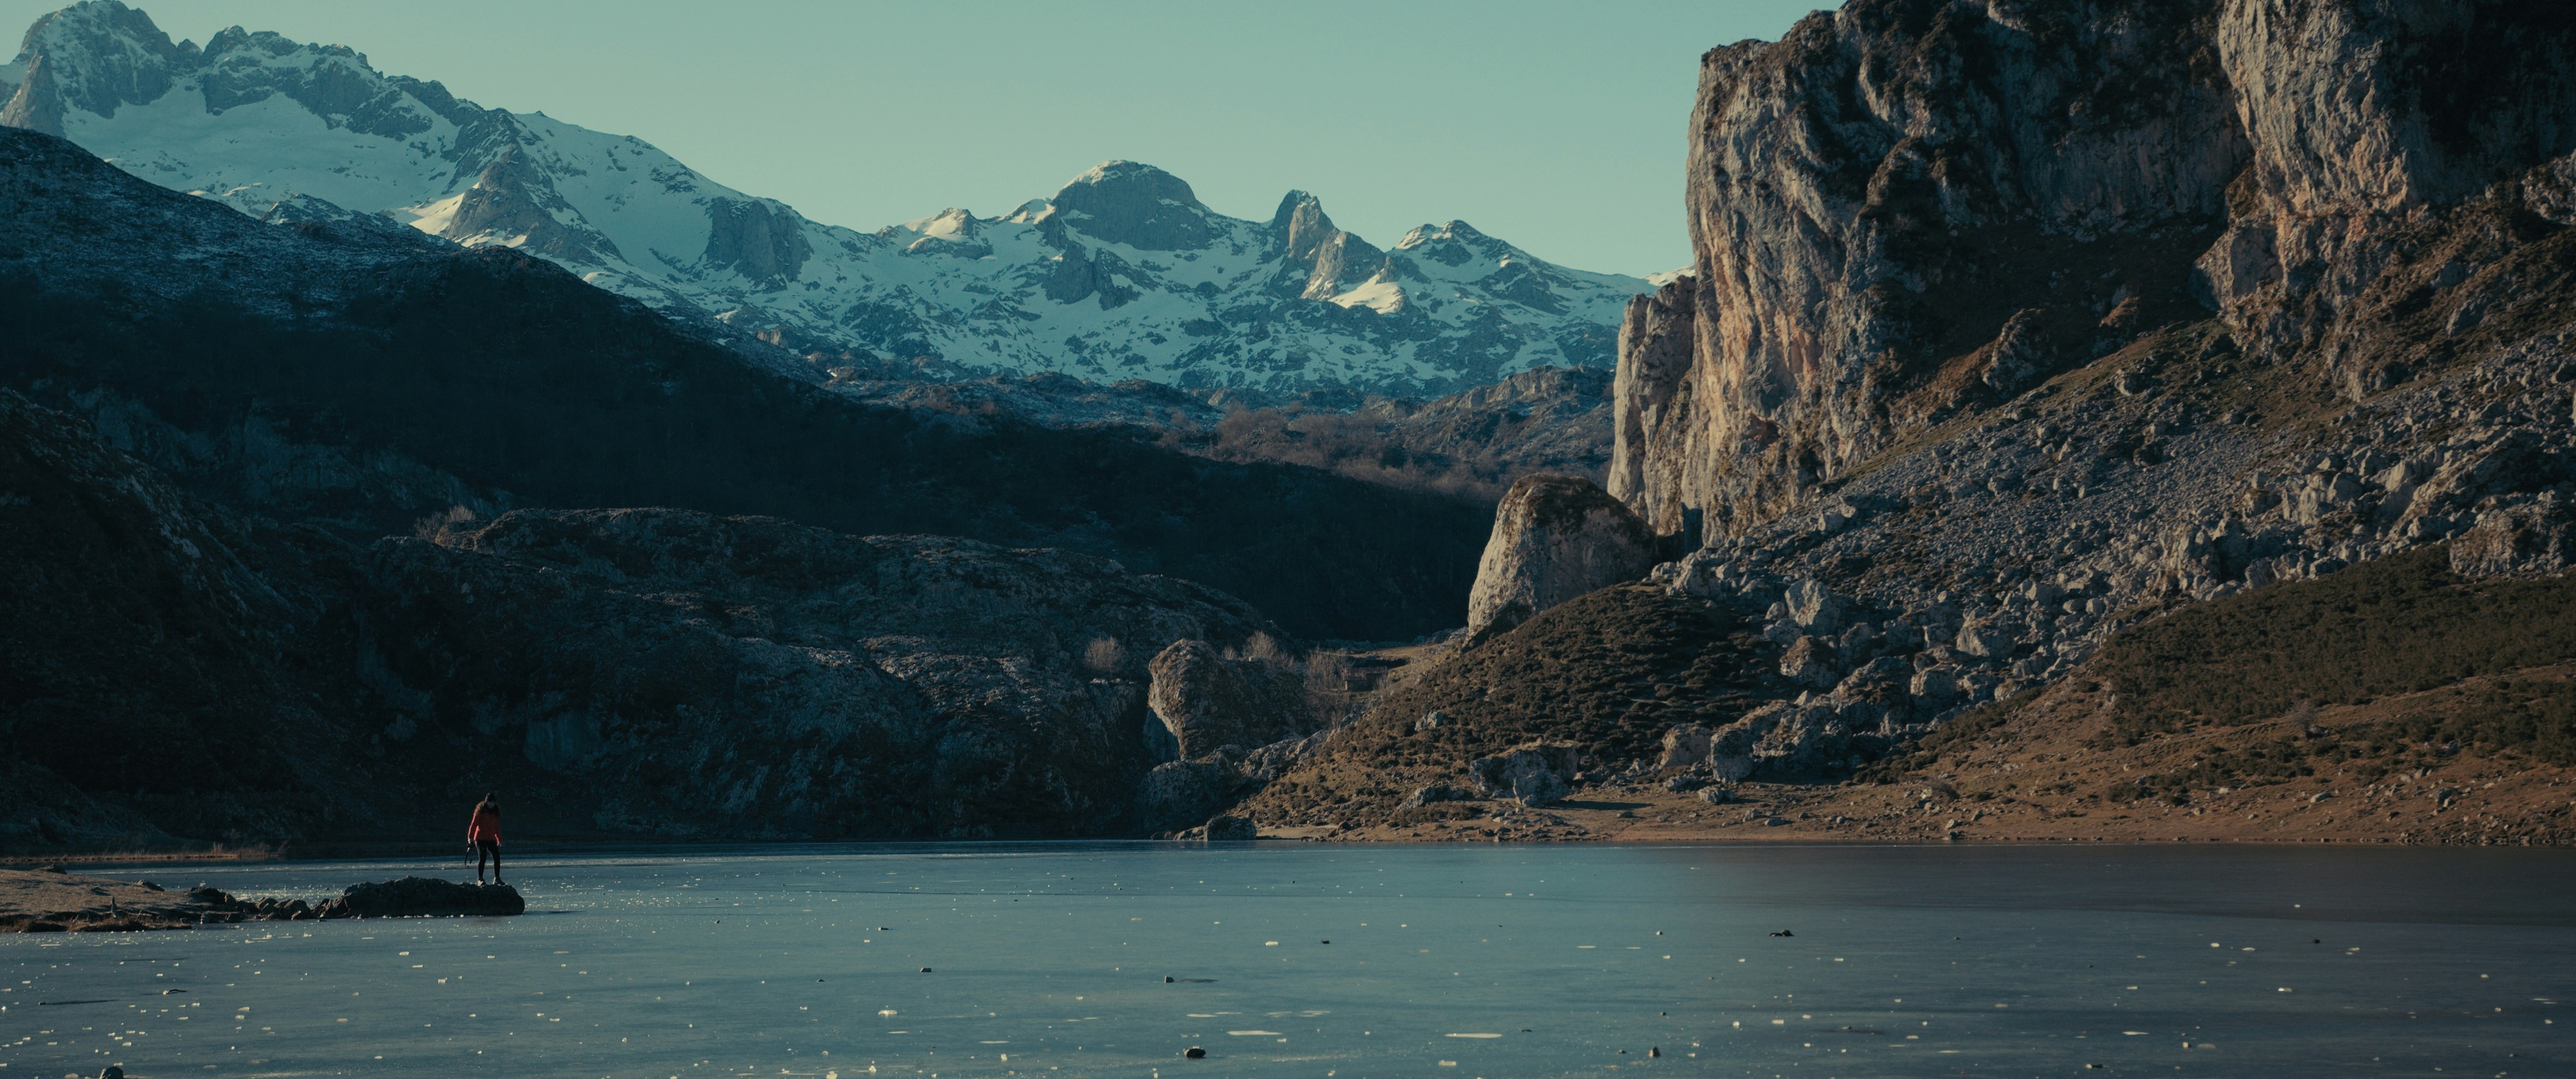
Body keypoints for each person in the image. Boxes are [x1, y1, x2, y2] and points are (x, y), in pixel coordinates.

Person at [467, 794, 504, 886]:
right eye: (490, 802)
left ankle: (497, 878)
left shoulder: (495, 813)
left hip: (491, 839)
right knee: (483, 857)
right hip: (480, 838)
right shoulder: (480, 812)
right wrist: (470, 838)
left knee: (497, 857)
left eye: (493, 802)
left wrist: (499, 840)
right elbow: (473, 825)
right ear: (486, 802)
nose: (491, 804)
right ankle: (480, 879)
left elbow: (496, 828)